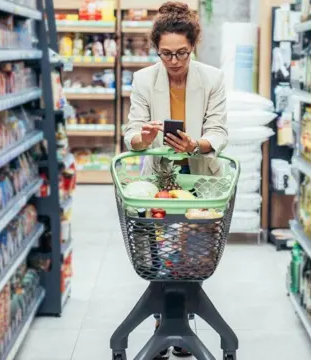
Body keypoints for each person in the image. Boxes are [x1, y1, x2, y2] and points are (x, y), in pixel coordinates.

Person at [122, 1, 228, 358]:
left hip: (199, 178)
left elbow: (218, 129)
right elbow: (131, 132)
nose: (174, 61)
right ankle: (163, 316)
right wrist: (144, 139)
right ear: (156, 50)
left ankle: (182, 315)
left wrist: (197, 144)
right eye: (165, 54)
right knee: (160, 249)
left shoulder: (212, 78)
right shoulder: (143, 79)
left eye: (181, 52)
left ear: (193, 45)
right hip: (159, 180)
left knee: (193, 250)